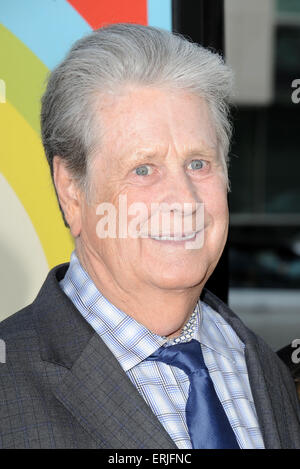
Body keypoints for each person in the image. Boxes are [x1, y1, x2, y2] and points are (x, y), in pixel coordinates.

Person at [0, 23, 299, 449]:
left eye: (199, 163)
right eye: (143, 169)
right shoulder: (8, 386)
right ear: (71, 190)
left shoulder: (264, 369)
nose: (183, 199)